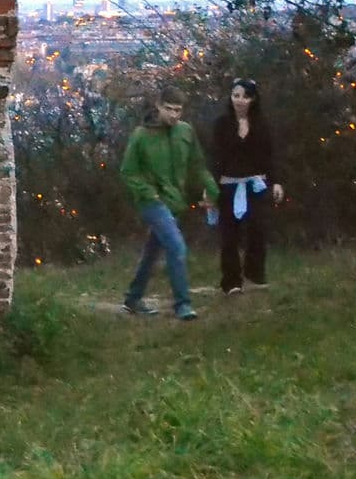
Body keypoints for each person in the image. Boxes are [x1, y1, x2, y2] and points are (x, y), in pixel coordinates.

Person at [118, 89, 219, 320]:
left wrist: (213, 191)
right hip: (151, 202)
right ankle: (183, 304)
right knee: (176, 246)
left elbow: (198, 164)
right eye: (169, 109)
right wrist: (149, 193)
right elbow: (128, 172)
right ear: (159, 106)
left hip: (175, 201)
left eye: (178, 110)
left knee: (153, 250)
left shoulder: (185, 131)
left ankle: (133, 298)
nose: (174, 115)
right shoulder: (141, 135)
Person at [209, 78, 284, 294]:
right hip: (228, 185)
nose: (240, 101)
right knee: (229, 236)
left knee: (257, 230)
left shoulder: (262, 124)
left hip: (255, 185)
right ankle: (231, 281)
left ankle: (255, 274)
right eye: (236, 96)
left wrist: (276, 181)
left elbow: (270, 155)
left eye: (245, 97)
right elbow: (215, 157)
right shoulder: (222, 124)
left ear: (253, 99)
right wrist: (210, 186)